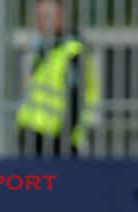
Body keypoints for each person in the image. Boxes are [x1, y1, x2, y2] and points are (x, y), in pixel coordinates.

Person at [15, 0, 100, 157]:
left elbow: (77, 98)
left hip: (57, 144)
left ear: (61, 16)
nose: (41, 22)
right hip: (33, 139)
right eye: (39, 16)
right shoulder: (43, 50)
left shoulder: (72, 51)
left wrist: (64, 138)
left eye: (47, 16)